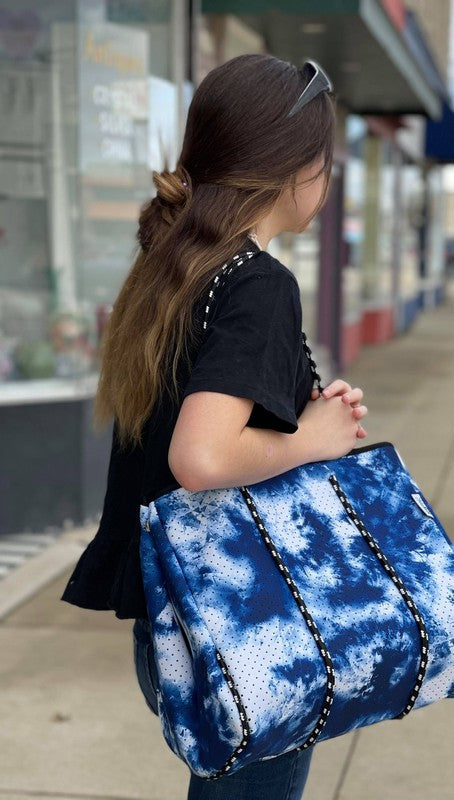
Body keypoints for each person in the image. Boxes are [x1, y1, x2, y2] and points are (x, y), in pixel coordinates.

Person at [60, 53, 369, 800]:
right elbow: (200, 454)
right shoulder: (258, 283)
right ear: (293, 167)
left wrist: (302, 408)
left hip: (180, 618)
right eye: (325, 161)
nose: (327, 180)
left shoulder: (175, 262)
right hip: (246, 626)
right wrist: (313, 439)